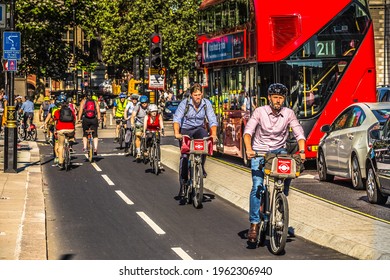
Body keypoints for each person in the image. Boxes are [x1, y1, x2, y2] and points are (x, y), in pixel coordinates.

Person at [243, 83, 306, 243]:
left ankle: (280, 199)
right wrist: (249, 149)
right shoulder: (260, 112)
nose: (278, 100)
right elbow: (248, 131)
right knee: (257, 186)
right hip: (259, 151)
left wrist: (303, 151)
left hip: (279, 150)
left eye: (281, 98)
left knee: (288, 170)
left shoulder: (288, 113)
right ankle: (254, 224)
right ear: (269, 98)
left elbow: (299, 132)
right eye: (275, 97)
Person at [173, 83, 218, 197]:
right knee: (184, 155)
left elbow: (212, 120)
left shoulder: (206, 104)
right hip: (186, 129)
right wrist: (177, 133)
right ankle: (183, 183)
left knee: (205, 141)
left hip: (198, 128)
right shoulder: (185, 103)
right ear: (191, 95)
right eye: (195, 95)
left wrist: (213, 134)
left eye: (199, 94)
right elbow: (177, 119)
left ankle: (200, 166)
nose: (198, 97)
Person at [52, 95, 76, 170]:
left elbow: (55, 122)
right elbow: (74, 120)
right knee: (71, 137)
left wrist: (55, 130)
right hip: (70, 129)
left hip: (60, 130)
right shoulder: (71, 111)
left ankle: (61, 163)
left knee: (60, 145)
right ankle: (70, 145)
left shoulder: (57, 112)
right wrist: (73, 128)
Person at [143, 103, 165, 169]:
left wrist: (162, 130)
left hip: (156, 131)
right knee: (149, 137)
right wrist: (144, 132)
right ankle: (146, 149)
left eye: (155, 111)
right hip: (149, 130)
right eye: (152, 111)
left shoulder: (159, 116)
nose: (154, 113)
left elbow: (161, 123)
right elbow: (145, 125)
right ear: (149, 112)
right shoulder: (147, 117)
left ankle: (158, 162)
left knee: (157, 145)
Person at [130, 95, 149, 160]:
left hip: (147, 123)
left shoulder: (149, 107)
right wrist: (132, 124)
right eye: (142, 103)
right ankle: (138, 152)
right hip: (139, 123)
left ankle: (147, 149)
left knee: (149, 136)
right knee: (138, 135)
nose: (144, 104)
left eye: (145, 103)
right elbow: (133, 116)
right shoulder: (137, 107)